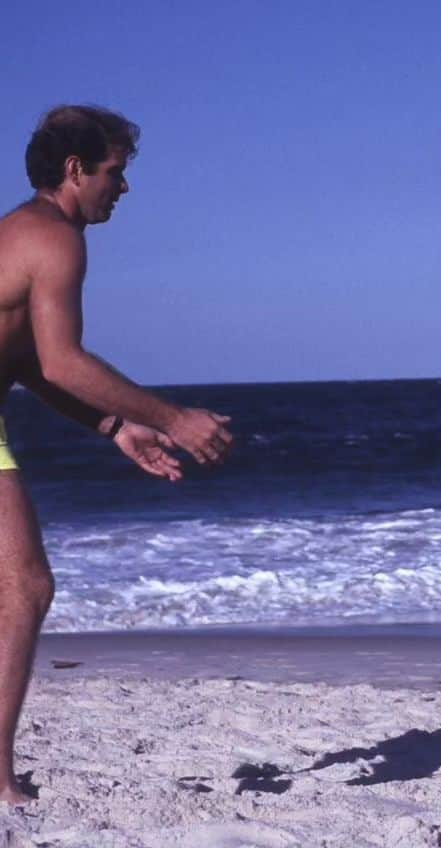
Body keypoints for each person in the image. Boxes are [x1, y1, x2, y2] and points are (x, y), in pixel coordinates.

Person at [0, 105, 233, 804]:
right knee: (24, 588)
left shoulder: (28, 233)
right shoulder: (54, 238)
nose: (122, 189)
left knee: (21, 589)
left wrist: (114, 427)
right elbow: (66, 362)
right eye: (115, 172)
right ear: (76, 171)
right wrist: (173, 418)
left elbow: (35, 366)